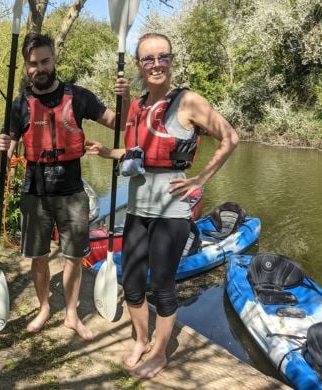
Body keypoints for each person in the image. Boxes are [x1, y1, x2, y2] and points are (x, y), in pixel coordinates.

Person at [86, 33, 239, 379]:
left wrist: (201, 180)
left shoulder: (188, 102)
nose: (155, 64)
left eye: (162, 57)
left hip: (172, 211)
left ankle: (160, 351)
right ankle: (141, 338)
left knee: (164, 283)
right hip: (139, 208)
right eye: (147, 59)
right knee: (134, 281)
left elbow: (230, 137)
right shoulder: (138, 105)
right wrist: (108, 152)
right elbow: (137, 152)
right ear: (139, 65)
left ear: (171, 60)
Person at [0, 33, 129, 341]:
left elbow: (120, 123)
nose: (38, 68)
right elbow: (5, 153)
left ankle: (71, 313)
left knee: (72, 257)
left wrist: (125, 97)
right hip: (35, 193)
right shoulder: (20, 106)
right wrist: (1, 146)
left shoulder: (79, 96)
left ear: (54, 60)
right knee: (38, 257)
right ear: (26, 67)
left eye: (44, 61)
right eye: (32, 64)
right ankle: (44, 308)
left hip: (72, 193)